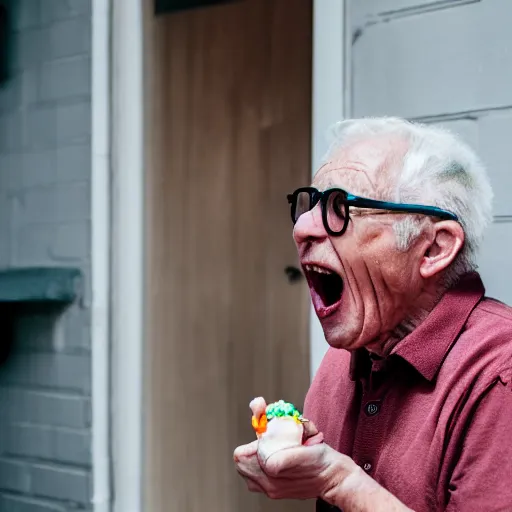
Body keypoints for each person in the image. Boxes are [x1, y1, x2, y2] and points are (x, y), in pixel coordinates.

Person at [233, 117, 512, 511]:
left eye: (340, 207)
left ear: (434, 248)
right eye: (309, 204)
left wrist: (339, 480)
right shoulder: (343, 360)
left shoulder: (500, 379)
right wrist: (300, 454)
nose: (302, 229)